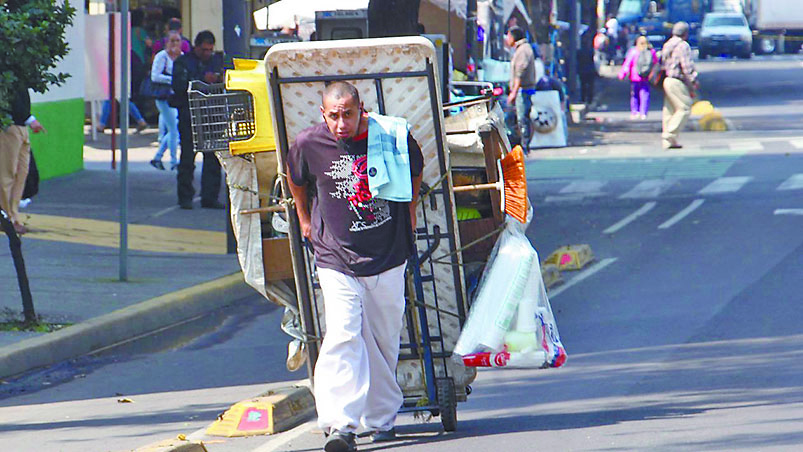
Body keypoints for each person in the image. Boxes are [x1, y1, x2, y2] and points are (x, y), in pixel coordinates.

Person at [286, 82, 423, 452]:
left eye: (348, 114)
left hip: (388, 254)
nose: (342, 123)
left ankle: (381, 419)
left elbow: (415, 170)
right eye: (334, 116)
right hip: (335, 258)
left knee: (382, 339)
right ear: (322, 114)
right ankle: (340, 424)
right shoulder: (308, 144)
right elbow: (296, 180)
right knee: (343, 334)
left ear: (362, 109)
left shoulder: (390, 135)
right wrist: (303, 219)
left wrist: (408, 214)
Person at [171, 30, 224, 209]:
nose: (207, 53)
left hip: (211, 116)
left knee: (213, 160)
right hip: (189, 116)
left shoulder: (217, 61)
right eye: (204, 50)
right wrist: (202, 80)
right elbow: (178, 85)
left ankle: (210, 197)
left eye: (210, 50)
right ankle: (185, 197)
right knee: (187, 158)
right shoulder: (183, 62)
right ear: (196, 47)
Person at [0, 87, 46, 235]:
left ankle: (12, 215)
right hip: (11, 124)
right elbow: (10, 95)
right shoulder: (9, 68)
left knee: (21, 173)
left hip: (20, 125)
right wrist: (29, 119)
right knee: (8, 173)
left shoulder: (19, 71)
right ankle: (6, 217)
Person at [661, 21, 699, 150]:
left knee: (670, 110)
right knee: (684, 108)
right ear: (685, 34)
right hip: (677, 80)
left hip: (667, 80)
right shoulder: (683, 46)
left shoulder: (668, 44)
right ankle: (669, 134)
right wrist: (693, 80)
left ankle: (669, 142)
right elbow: (686, 66)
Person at [149, 30, 182, 171]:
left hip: (177, 97)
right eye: (172, 41)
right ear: (166, 42)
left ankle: (157, 157)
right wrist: (172, 79)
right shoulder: (162, 56)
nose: (175, 44)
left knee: (174, 128)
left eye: (178, 41)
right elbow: (154, 76)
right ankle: (174, 161)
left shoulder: (182, 57)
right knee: (174, 129)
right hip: (164, 98)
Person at [505, 25, 537, 153]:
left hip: (522, 90)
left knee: (521, 118)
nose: (507, 39)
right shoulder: (521, 49)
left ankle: (523, 146)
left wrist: (514, 92)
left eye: (508, 36)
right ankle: (520, 144)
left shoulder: (523, 50)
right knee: (519, 118)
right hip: (521, 90)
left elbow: (520, 72)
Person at [619, 35, 658, 120]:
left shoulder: (633, 52)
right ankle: (643, 112)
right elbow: (655, 63)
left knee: (635, 95)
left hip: (635, 77)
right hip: (646, 77)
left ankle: (635, 112)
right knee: (645, 94)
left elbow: (627, 64)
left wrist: (622, 74)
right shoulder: (651, 52)